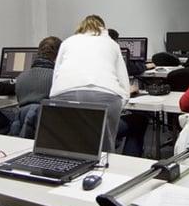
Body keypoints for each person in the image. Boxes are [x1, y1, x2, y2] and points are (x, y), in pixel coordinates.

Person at [50, 15, 130, 152]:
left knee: (67, 144)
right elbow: (124, 82)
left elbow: (56, 75)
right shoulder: (112, 44)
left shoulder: (67, 42)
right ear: (103, 28)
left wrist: (55, 97)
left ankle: (66, 168)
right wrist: (121, 103)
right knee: (104, 149)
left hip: (64, 94)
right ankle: (105, 170)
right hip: (106, 94)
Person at [9, 36, 62, 138]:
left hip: (22, 133)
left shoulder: (21, 77)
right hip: (48, 133)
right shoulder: (57, 78)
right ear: (58, 56)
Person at [108, 28, 149, 157]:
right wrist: (127, 90)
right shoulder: (112, 58)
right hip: (104, 123)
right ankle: (130, 161)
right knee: (139, 120)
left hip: (83, 123)